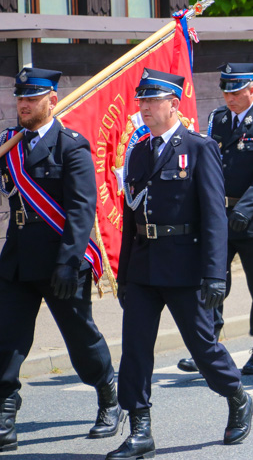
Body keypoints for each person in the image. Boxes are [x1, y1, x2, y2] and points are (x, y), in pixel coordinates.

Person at [109, 69, 253, 459]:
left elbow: (214, 216)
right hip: (142, 266)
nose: (145, 108)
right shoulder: (138, 151)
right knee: (135, 349)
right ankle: (140, 428)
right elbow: (130, 217)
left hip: (185, 265)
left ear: (174, 104)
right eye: (141, 101)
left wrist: (214, 273)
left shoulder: (200, 147)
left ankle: (237, 396)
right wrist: (124, 273)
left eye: (153, 101)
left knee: (203, 347)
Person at [0, 68, 122, 452]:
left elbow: (82, 209)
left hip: (61, 261)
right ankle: (4, 411)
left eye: (33, 98)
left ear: (52, 101)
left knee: (80, 338)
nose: (24, 104)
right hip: (18, 259)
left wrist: (69, 262)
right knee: (6, 337)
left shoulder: (72, 146)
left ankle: (108, 395)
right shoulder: (10, 146)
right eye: (20, 98)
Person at [177, 63, 253, 376]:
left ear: (252, 89)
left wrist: (246, 208)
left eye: (236, 91)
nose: (230, 97)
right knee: (212, 281)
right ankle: (208, 347)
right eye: (226, 91)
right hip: (218, 216)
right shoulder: (218, 120)